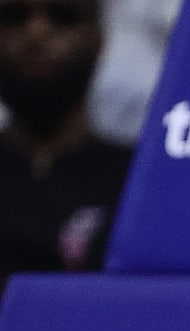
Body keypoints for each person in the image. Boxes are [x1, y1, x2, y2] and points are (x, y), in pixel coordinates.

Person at [0, 0, 132, 292]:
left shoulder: (137, 181)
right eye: (13, 17)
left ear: (99, 39)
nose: (36, 33)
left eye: (63, 16)